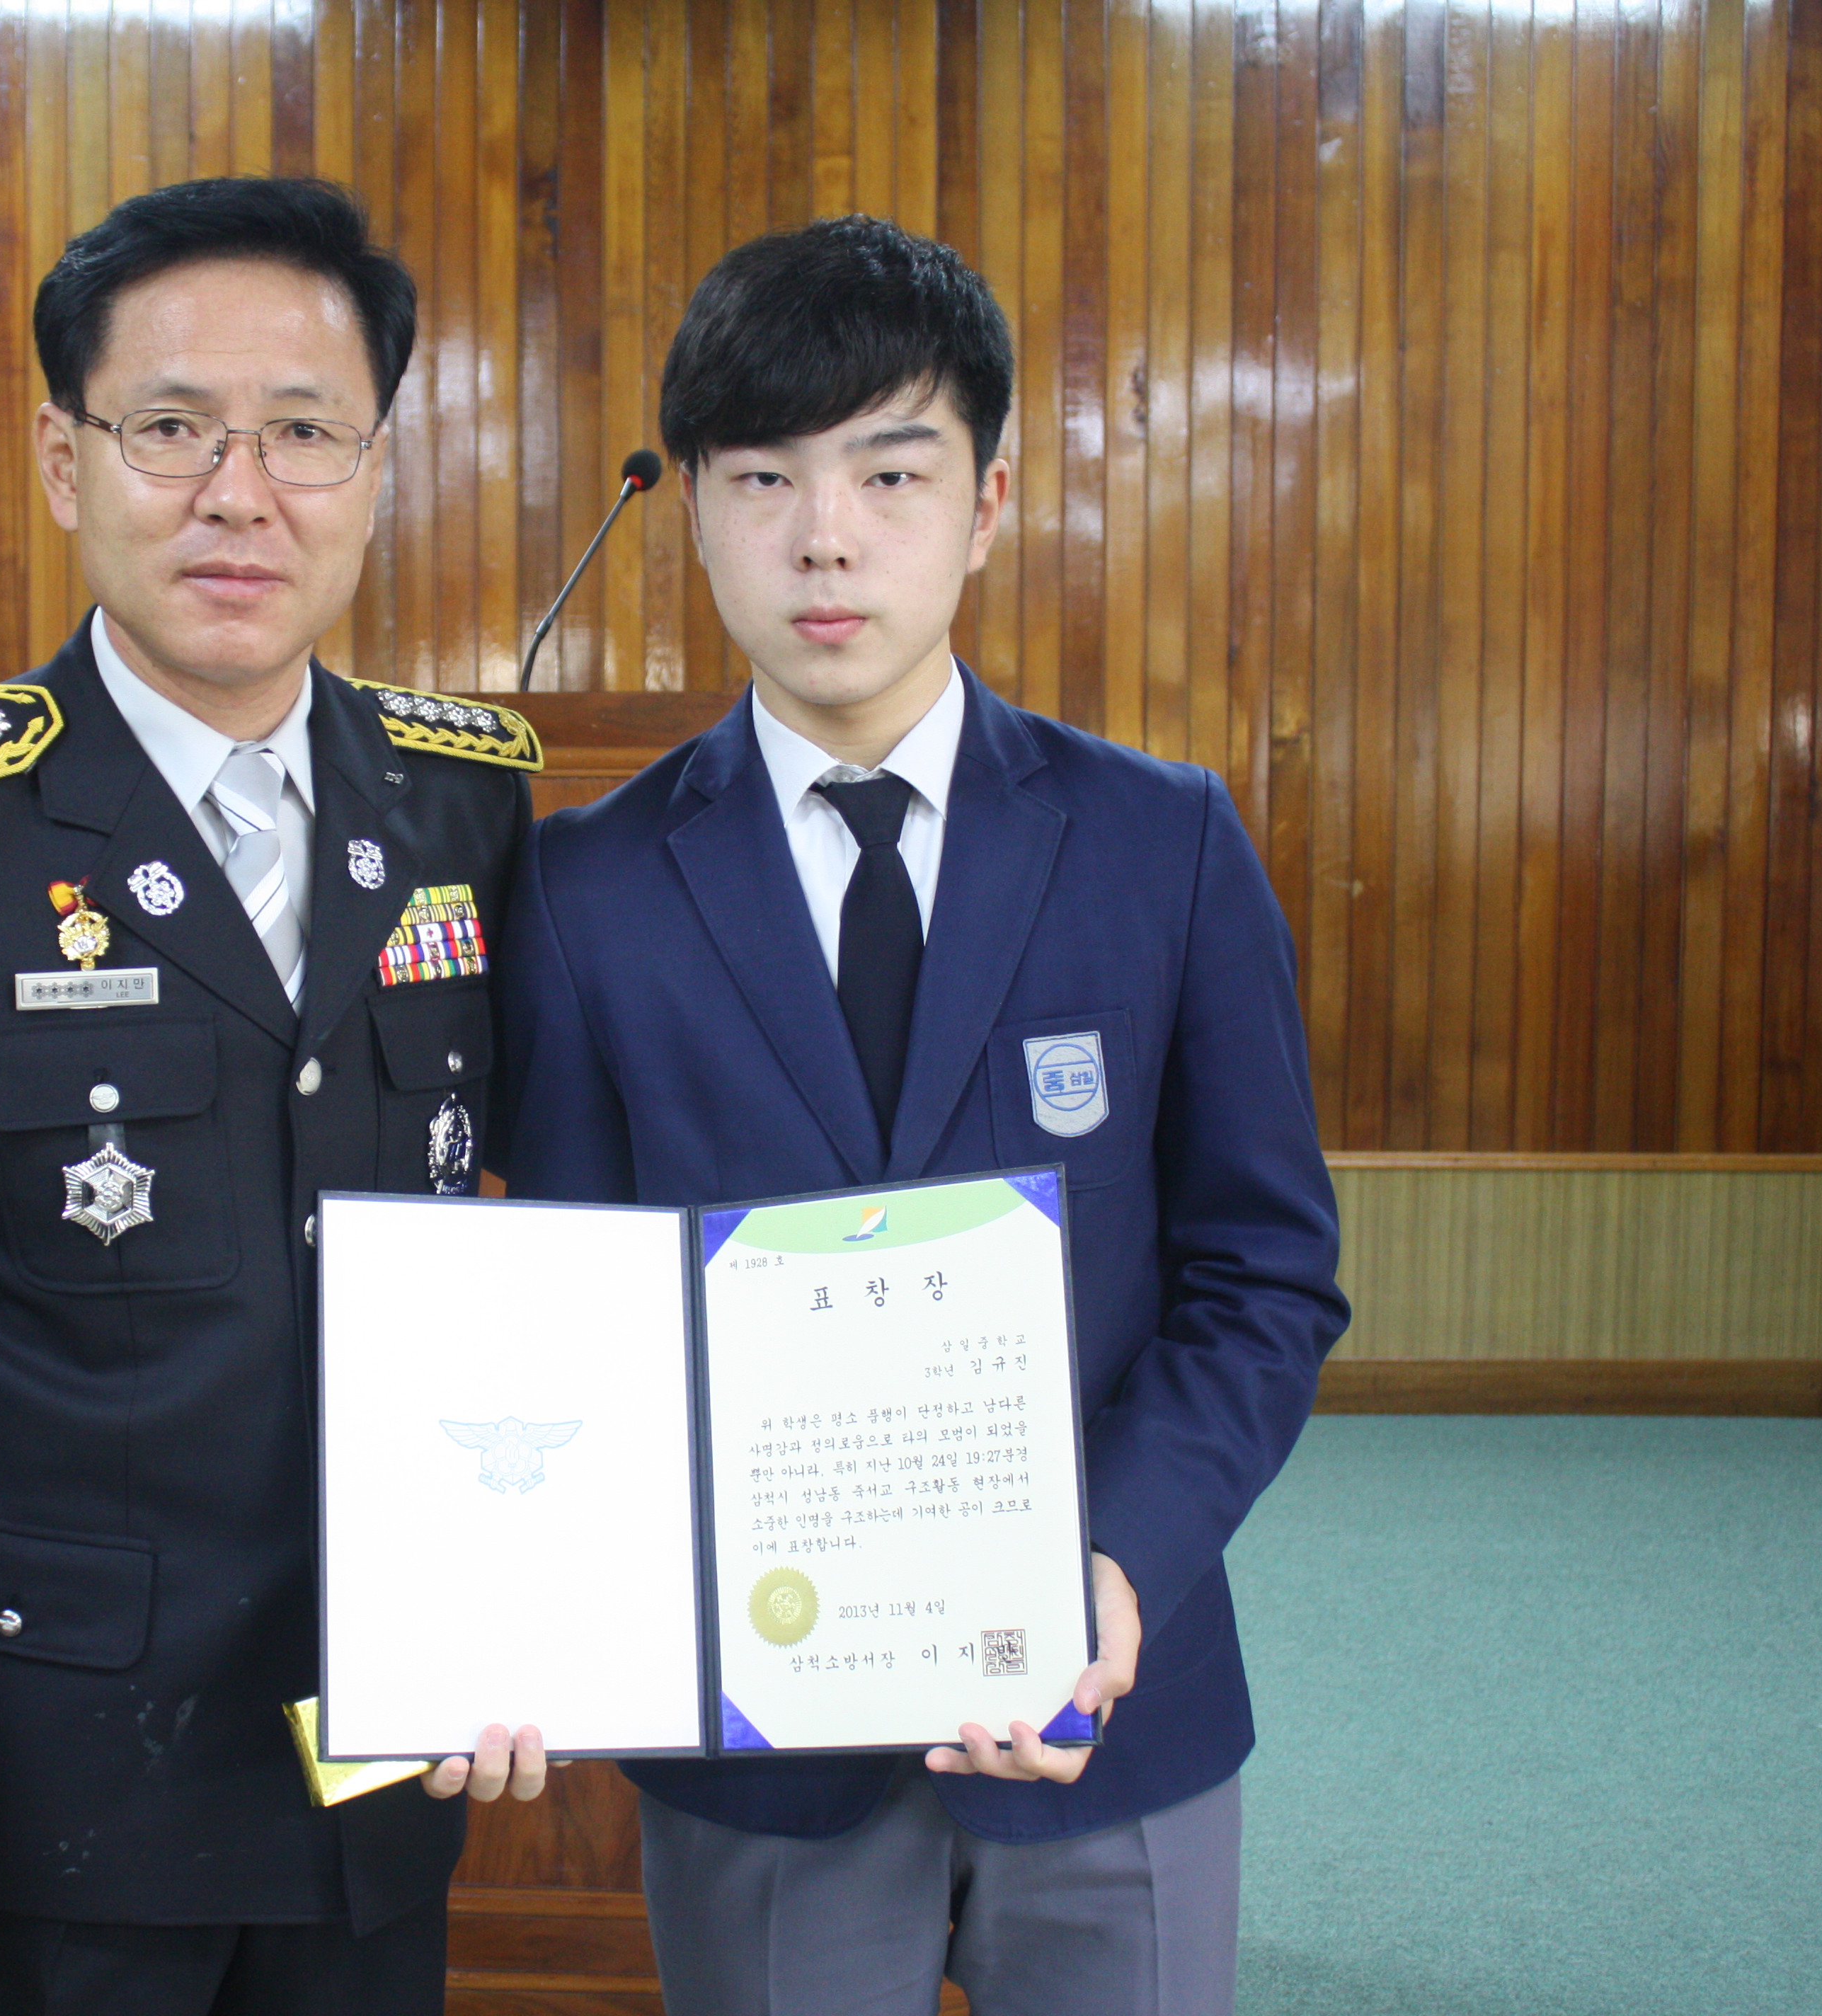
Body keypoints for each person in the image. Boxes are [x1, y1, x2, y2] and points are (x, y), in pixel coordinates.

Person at [0, 176, 547, 2016]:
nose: (240, 492)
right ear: (62, 459)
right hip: (47, 1767)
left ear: (377, 470)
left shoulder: (463, 801)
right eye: (171, 427)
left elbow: (535, 1247)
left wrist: (533, 1593)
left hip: (378, 1739)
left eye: (306, 433)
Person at [492, 215, 1347, 2016]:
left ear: (988, 500)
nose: (826, 534)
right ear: (697, 509)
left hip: (1108, 1702)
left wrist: (1119, 1560)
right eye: (764, 477)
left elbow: (1264, 1271)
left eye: (892, 472)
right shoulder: (584, 890)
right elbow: (567, 1317)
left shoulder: (1163, 843)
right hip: (761, 1743)